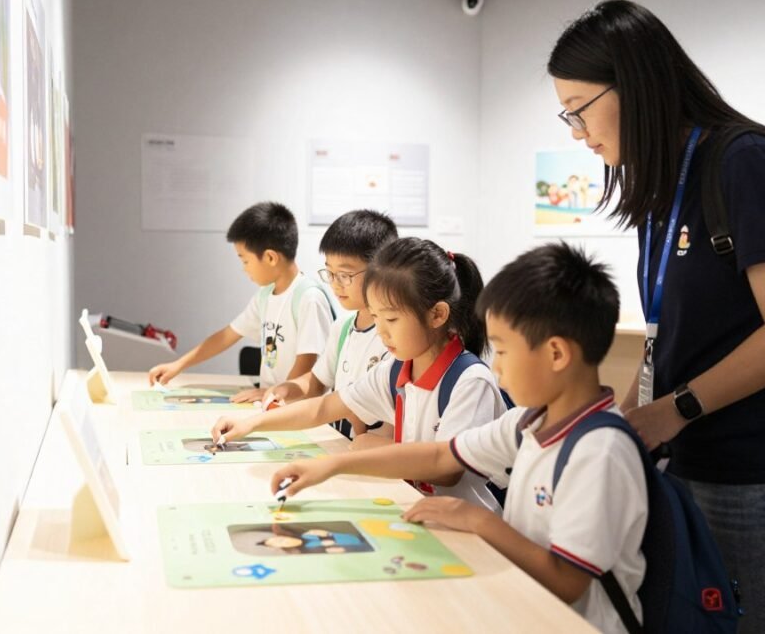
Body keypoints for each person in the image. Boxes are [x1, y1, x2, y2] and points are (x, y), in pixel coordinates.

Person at [549, 0, 765, 633]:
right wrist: (622, 418)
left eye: (579, 109)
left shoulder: (743, 162)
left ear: (631, 84)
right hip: (693, 462)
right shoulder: (663, 182)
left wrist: (670, 411)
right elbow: (667, 335)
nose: (577, 132)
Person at [269, 243, 647, 633]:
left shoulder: (600, 451)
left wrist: (477, 520)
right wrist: (330, 465)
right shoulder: (528, 423)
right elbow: (439, 457)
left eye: (502, 351)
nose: (495, 368)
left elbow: (568, 582)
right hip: (524, 603)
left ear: (556, 354)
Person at [212, 237, 508, 508]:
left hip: (470, 532)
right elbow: (325, 407)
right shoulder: (396, 370)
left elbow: (445, 469)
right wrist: (251, 424)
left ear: (437, 315)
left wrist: (337, 463)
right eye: (376, 317)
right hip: (419, 511)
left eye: (391, 318)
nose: (381, 330)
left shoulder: (469, 381)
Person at [148, 202, 334, 402]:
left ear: (270, 257)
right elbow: (226, 336)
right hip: (274, 404)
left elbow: (307, 363)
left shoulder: (308, 298)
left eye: (245, 261)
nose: (244, 269)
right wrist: (178, 365)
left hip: (298, 409)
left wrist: (275, 394)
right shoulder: (265, 296)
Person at [262, 209, 398, 439]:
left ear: (382, 270)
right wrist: (289, 388)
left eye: (344, 275)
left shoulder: (395, 336)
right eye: (330, 273)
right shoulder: (343, 326)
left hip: (372, 456)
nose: (335, 285)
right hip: (339, 446)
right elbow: (316, 382)